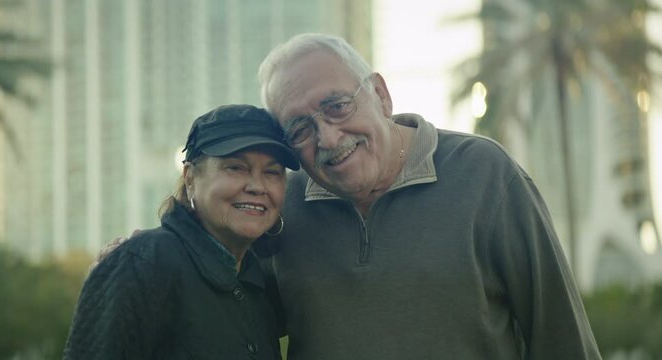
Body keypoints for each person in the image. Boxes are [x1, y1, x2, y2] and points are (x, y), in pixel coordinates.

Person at [255, 33, 602, 359]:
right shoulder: (282, 207)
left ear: (380, 94)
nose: (328, 139)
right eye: (299, 129)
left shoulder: (485, 175)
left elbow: (562, 340)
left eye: (337, 106)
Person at [64, 104, 299, 359]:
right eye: (236, 167)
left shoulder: (258, 287)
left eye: (272, 172)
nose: (257, 186)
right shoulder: (144, 263)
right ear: (190, 178)